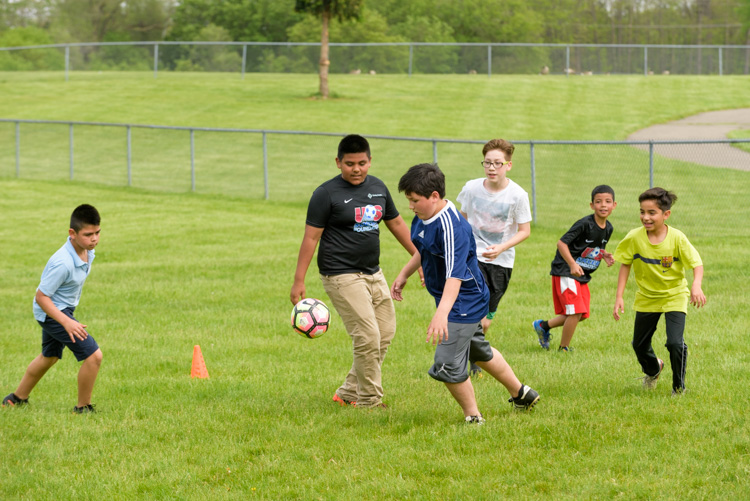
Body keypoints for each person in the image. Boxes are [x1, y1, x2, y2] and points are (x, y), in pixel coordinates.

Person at [390, 163, 539, 423]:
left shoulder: (451, 227)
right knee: (478, 351)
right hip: (455, 299)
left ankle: (474, 418)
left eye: (415, 200)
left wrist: (442, 313)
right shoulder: (424, 216)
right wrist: (405, 273)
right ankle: (522, 394)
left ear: (434, 197)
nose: (411, 206)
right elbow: (422, 249)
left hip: (464, 301)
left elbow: (455, 275)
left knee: (447, 363)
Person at [290, 134, 418, 409]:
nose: (356, 169)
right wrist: (298, 280)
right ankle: (369, 401)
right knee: (367, 336)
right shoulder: (325, 194)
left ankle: (349, 391)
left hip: (373, 272)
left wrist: (419, 259)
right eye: (350, 163)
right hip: (340, 274)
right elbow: (311, 238)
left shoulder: (378, 188)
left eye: (362, 163)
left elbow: (396, 225)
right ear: (338, 163)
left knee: (384, 333)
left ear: (370, 161)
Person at [3, 204, 104, 413]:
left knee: (49, 356)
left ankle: (16, 398)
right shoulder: (63, 262)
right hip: (52, 313)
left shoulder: (85, 251)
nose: (94, 238)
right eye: (88, 234)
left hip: (62, 310)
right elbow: (41, 296)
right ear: (72, 234)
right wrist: (66, 321)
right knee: (94, 356)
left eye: (97, 233)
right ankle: (83, 407)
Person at [613, 187, 705, 395]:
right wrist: (619, 296)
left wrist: (696, 284)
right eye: (642, 212)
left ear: (666, 214)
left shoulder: (677, 238)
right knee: (639, 344)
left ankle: (679, 388)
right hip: (647, 297)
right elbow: (625, 263)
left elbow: (696, 263)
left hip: (675, 295)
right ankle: (653, 369)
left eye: (651, 212)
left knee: (675, 343)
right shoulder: (635, 237)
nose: (645, 217)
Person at [457, 138, 531, 376]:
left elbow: (524, 231)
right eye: (487, 163)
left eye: (497, 163)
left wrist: (501, 247)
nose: (491, 168)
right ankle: (468, 362)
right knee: (470, 312)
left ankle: (475, 357)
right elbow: (462, 220)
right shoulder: (471, 188)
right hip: (472, 258)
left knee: (486, 320)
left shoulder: (518, 195)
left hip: (501, 262)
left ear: (508, 165)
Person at [533, 185, 617, 351]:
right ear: (592, 205)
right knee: (576, 311)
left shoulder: (609, 228)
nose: (603, 205)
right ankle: (563, 348)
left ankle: (543, 326)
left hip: (582, 274)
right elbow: (562, 243)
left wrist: (604, 254)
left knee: (582, 314)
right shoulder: (584, 224)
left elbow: (592, 247)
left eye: (608, 201)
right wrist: (572, 263)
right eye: (598, 202)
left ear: (614, 205)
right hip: (566, 270)